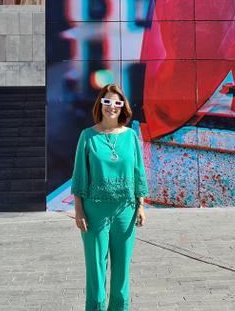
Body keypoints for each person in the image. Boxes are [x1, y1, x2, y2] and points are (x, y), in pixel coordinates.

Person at [72, 84, 149, 311]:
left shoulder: (131, 136)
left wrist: (141, 206)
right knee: (96, 271)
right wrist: (78, 210)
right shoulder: (88, 136)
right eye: (107, 102)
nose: (112, 107)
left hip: (126, 210)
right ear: (100, 105)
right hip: (94, 211)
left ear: (122, 106)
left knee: (121, 273)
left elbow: (139, 171)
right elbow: (79, 175)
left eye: (117, 102)